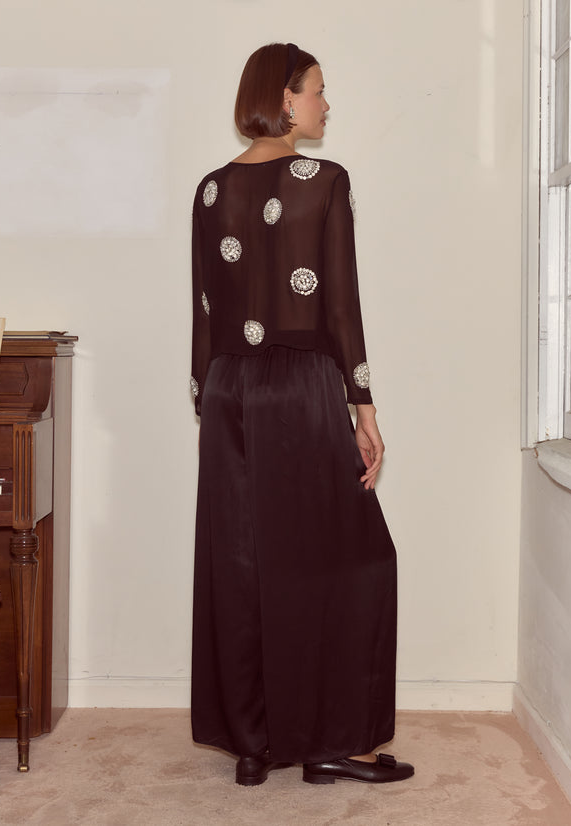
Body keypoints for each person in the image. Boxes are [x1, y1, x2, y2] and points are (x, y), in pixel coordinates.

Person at [190, 42, 414, 787]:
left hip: (228, 389)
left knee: (246, 561)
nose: (326, 104)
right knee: (343, 560)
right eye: (319, 91)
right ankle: (327, 743)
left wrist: (213, 397)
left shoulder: (211, 190)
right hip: (301, 385)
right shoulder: (325, 182)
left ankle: (255, 745)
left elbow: (204, 313)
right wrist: (363, 404)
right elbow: (340, 302)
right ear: (285, 100)